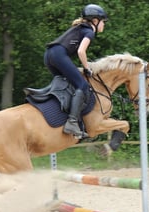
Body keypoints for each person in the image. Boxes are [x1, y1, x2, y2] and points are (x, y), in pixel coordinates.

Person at [44, 4, 108, 139]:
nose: (104, 25)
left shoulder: (80, 28)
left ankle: (60, 114)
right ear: (95, 21)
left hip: (49, 55)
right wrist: (87, 68)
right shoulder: (89, 31)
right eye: (103, 21)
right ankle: (72, 122)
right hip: (59, 55)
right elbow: (81, 51)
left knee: (67, 84)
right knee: (83, 86)